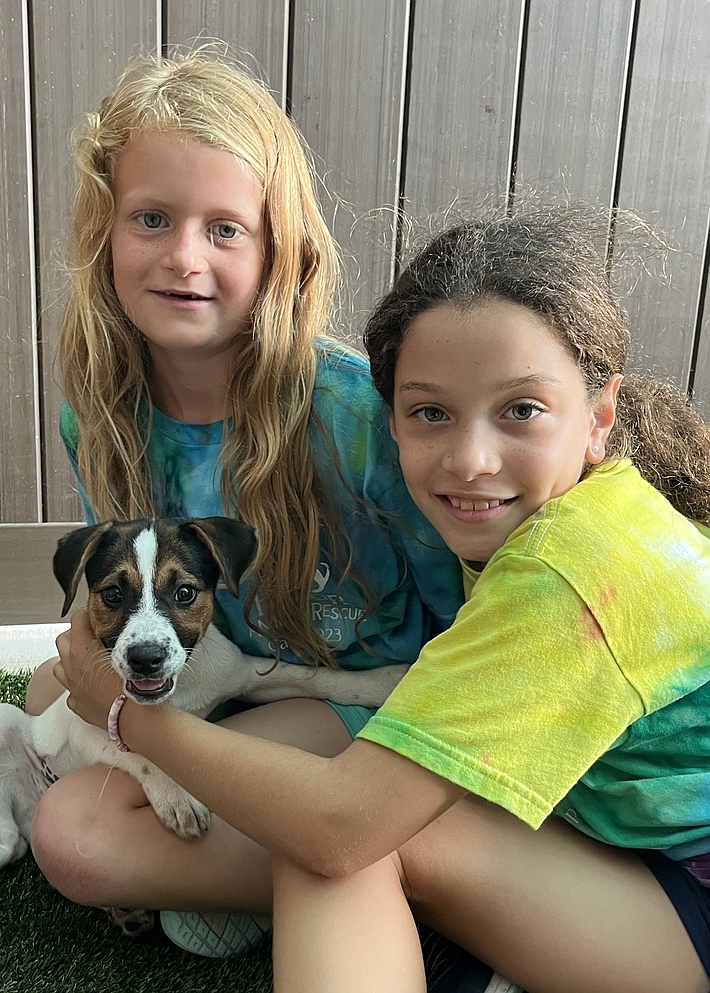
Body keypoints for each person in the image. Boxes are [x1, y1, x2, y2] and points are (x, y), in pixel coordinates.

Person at [54, 207, 710, 993]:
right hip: (593, 837)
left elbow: (339, 826)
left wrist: (127, 714)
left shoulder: (569, 568)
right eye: (431, 411)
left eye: (522, 410)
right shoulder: (554, 516)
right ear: (389, 417)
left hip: (678, 897)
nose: (470, 459)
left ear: (599, 417)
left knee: (337, 842)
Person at [26, 48, 476, 980]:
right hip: (240, 675)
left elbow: (466, 605)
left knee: (74, 835)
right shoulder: (101, 415)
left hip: (367, 696)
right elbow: (127, 602)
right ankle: (267, 867)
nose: (185, 257)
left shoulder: (357, 418)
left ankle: (397, 861)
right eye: (152, 218)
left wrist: (139, 730)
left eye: (226, 228)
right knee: (45, 692)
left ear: (279, 250)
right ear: (104, 233)